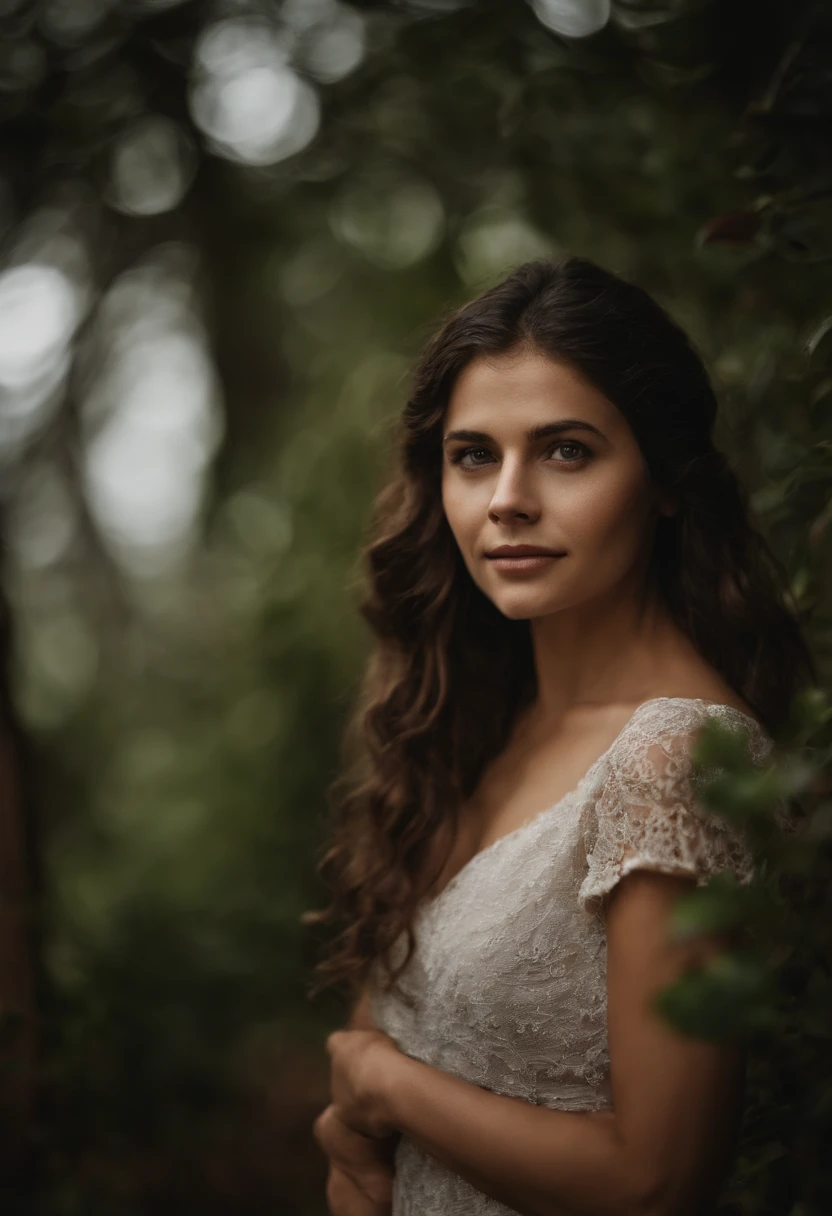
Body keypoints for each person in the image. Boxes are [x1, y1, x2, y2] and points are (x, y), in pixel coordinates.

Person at [303, 255, 816, 1216]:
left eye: (567, 450)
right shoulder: (477, 728)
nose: (508, 498)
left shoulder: (675, 759)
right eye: (474, 456)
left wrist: (379, 1084)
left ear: (666, 482)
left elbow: (656, 1183)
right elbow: (390, 1049)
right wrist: (346, 1130)